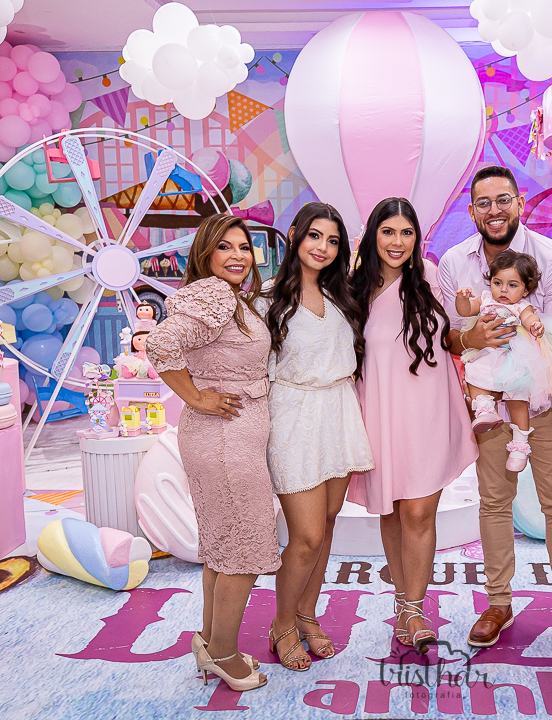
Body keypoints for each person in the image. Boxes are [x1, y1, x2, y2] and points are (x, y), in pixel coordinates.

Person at [437, 165, 552, 660]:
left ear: (520, 202)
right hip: (489, 401)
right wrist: (473, 336)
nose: (494, 210)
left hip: (545, 401)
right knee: (494, 502)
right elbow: (450, 337)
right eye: (484, 203)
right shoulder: (454, 262)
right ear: (472, 211)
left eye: (503, 199)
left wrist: (518, 337)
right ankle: (498, 604)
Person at [145, 214, 276, 692]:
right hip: (224, 439)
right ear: (205, 253)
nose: (238, 255)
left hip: (227, 437)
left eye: (244, 247)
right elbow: (160, 343)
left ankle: (209, 640)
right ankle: (223, 652)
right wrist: (195, 397)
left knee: (224, 548)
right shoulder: (214, 294)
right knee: (241, 549)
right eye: (225, 247)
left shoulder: (232, 296)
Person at [347, 197, 477, 653]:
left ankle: (416, 609)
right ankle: (403, 604)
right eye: (388, 231)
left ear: (417, 238)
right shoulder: (353, 291)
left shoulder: (431, 280)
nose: (397, 241)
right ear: (373, 236)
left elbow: (454, 336)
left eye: (406, 232)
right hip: (379, 413)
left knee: (419, 512)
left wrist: (471, 333)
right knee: (392, 509)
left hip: (429, 412)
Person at [261, 203, 374, 671]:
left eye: (332, 240)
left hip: (338, 412)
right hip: (293, 416)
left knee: (326, 525)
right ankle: (282, 623)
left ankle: (307, 615)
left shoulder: (343, 296)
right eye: (314, 236)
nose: (322, 247)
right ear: (293, 235)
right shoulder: (266, 299)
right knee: (305, 535)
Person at [455, 250, 552, 472]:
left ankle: (520, 445)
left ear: (526, 290)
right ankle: (484, 409)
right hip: (488, 352)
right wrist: (462, 298)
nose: (503, 290)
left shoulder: (520, 306)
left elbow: (528, 318)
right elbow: (466, 310)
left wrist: (534, 325)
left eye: (512, 285)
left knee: (517, 397)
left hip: (513, 356)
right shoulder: (486, 298)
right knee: (475, 373)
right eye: (497, 283)